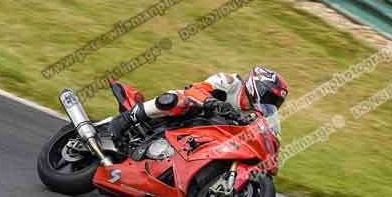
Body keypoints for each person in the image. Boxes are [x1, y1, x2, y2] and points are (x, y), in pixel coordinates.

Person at [109, 66, 288, 138]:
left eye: (275, 102)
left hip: (200, 134)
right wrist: (214, 103)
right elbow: (193, 89)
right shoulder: (230, 82)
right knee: (181, 101)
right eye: (270, 97)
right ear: (258, 87)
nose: (270, 103)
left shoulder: (254, 114)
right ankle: (126, 119)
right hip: (186, 113)